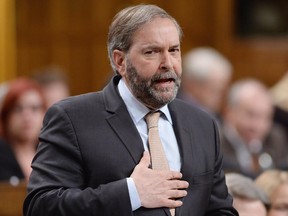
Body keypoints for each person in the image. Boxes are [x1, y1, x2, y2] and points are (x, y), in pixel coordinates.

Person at [23, 4, 238, 216]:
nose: (167, 63)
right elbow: (41, 206)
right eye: (151, 52)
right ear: (120, 61)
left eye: (173, 50)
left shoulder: (202, 124)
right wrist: (132, 192)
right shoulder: (72, 118)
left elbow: (220, 210)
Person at [221, 78, 288, 178]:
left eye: (266, 117)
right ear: (229, 112)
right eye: (251, 115)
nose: (258, 126)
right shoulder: (213, 143)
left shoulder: (276, 137)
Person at [0, 77, 47, 183]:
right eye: (18, 109)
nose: (27, 116)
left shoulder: (52, 153)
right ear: (6, 115)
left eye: (34, 108)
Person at [178, 47, 233, 123]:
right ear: (193, 84)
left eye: (222, 91)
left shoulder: (218, 116)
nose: (221, 98)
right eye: (215, 90)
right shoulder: (175, 113)